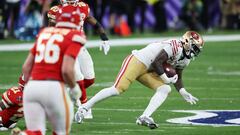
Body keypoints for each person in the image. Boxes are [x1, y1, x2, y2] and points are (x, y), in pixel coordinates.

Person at [75, 31, 204, 129]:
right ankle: (83, 109)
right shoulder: (175, 45)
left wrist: (182, 91)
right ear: (187, 42)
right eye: (195, 47)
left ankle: (144, 117)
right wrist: (165, 78)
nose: (195, 51)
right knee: (117, 89)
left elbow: (178, 76)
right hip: (138, 61)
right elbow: (157, 62)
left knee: (165, 89)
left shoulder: (185, 59)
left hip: (149, 70)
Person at [16, 5, 84, 135]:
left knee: (36, 131)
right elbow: (67, 70)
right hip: (54, 88)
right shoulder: (75, 35)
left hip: (32, 87)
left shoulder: (44, 33)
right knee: (61, 131)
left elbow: (26, 67)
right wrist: (75, 89)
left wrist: (30, 86)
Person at [47, 0, 110, 118]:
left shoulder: (82, 7)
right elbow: (51, 31)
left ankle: (65, 93)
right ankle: (84, 107)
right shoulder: (55, 11)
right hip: (65, 46)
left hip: (80, 46)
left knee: (90, 78)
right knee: (79, 77)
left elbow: (92, 21)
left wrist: (104, 37)